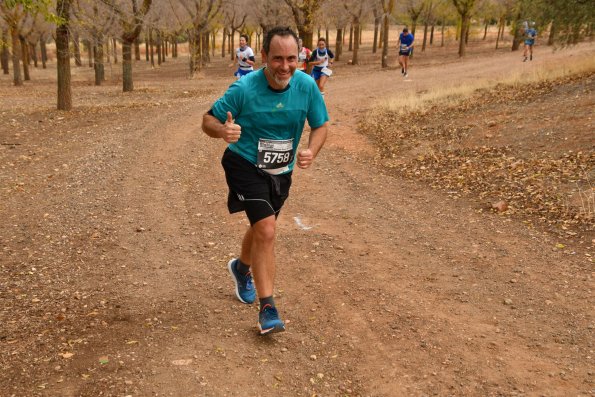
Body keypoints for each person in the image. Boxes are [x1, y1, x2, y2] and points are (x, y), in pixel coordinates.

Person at [202, 26, 329, 336]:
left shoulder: (306, 87)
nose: (284, 66)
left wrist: (312, 149)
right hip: (244, 163)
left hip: (280, 172)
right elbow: (208, 119)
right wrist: (222, 131)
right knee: (268, 229)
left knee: (263, 227)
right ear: (263, 57)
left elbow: (321, 125)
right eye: (276, 59)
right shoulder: (244, 88)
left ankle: (241, 268)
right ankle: (268, 308)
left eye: (291, 59)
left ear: (300, 58)